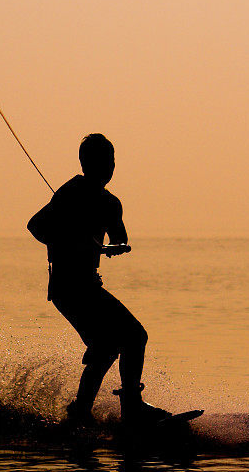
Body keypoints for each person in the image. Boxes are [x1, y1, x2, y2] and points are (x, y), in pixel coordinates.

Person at [27, 133, 169, 426]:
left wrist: (113, 248)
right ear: (86, 163)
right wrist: (67, 239)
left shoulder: (110, 203)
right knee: (133, 337)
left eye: (111, 161)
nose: (108, 167)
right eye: (102, 161)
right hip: (67, 287)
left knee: (107, 347)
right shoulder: (70, 192)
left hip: (89, 286)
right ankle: (131, 407)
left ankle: (81, 412)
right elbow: (35, 226)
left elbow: (120, 239)